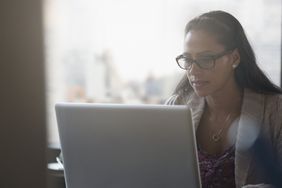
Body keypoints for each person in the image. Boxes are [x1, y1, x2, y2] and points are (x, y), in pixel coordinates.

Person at [166, 10, 282, 188]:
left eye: (206, 59)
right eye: (188, 59)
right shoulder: (177, 106)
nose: (193, 71)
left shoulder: (275, 110)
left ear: (235, 58)